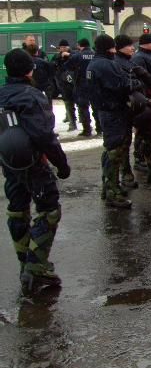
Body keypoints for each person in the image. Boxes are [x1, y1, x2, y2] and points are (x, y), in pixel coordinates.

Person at [0, 48, 70, 293]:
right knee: (49, 210)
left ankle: (24, 263)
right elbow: (44, 136)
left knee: (17, 211)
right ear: (30, 70)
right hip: (34, 163)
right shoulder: (32, 96)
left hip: (9, 163)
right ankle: (36, 265)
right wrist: (61, 164)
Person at [113, 34, 151, 187]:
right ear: (120, 47)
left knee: (147, 137)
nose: (132, 47)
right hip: (127, 108)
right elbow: (125, 86)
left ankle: (150, 170)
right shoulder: (119, 63)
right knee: (126, 142)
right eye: (129, 45)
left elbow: (149, 78)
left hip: (140, 107)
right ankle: (129, 174)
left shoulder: (129, 61)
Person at [87, 34, 132, 209]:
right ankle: (113, 192)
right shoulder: (106, 64)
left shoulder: (94, 63)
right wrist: (133, 84)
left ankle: (109, 187)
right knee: (114, 152)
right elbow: (121, 85)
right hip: (113, 111)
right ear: (110, 47)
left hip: (104, 111)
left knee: (109, 150)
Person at [64, 38, 100, 136]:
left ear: (80, 45)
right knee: (96, 107)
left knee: (83, 107)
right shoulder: (96, 55)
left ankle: (87, 130)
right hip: (95, 84)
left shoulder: (77, 56)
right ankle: (100, 128)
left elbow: (67, 66)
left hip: (82, 84)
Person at [51, 40, 77, 131]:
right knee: (68, 102)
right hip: (63, 83)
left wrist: (68, 56)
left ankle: (79, 120)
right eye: (61, 47)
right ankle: (72, 122)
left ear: (68, 47)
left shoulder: (73, 54)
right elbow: (53, 65)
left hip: (74, 82)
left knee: (79, 103)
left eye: (65, 47)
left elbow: (78, 61)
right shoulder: (57, 56)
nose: (63, 49)